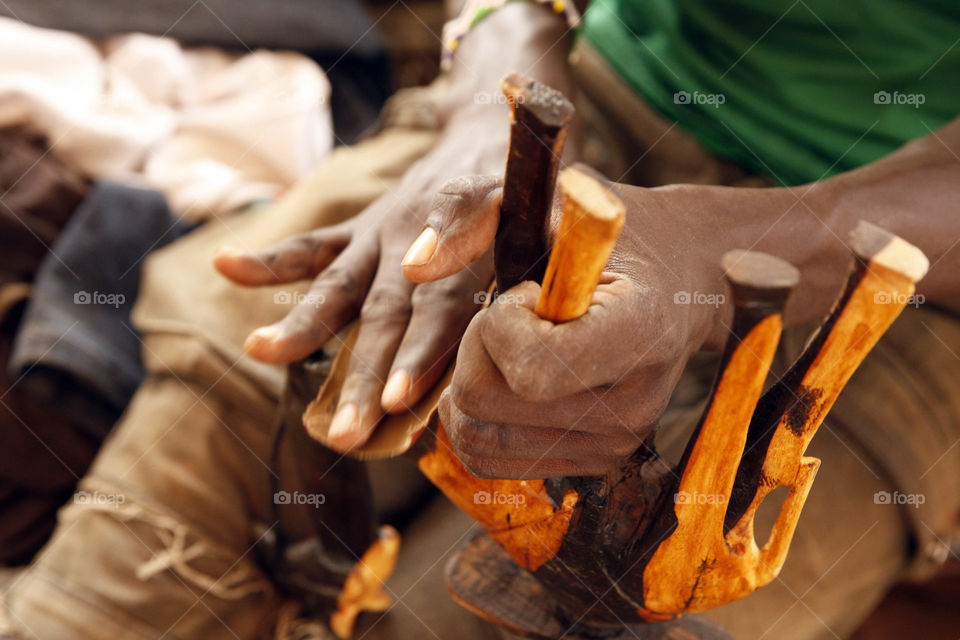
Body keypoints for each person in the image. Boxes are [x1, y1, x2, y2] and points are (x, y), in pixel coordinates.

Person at [4, 2, 958, 639]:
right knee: (146, 545)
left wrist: (719, 245)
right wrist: (489, 84)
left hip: (920, 260)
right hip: (579, 96)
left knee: (626, 598)